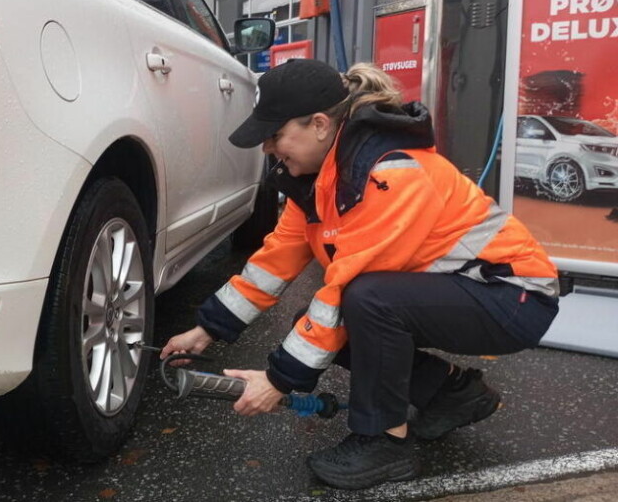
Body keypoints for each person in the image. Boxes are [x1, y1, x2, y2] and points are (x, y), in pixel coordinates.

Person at [160, 59, 559, 490]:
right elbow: (272, 264)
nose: (267, 150)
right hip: (466, 292)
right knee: (327, 323)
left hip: (513, 296)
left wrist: (278, 380)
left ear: (317, 124)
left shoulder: (389, 173)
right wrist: (206, 329)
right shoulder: (319, 182)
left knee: (365, 300)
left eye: (274, 135)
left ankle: (383, 443)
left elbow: (345, 286)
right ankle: (452, 394)